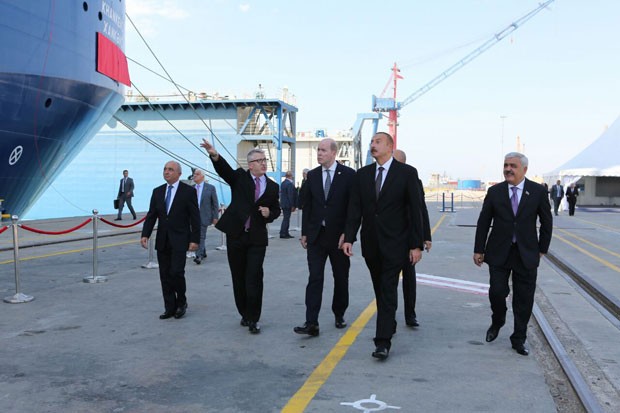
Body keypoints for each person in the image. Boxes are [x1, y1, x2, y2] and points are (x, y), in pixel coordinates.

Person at [342, 132, 425, 360]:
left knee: (388, 287)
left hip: (396, 243)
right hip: (371, 244)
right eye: (372, 142)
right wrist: (349, 237)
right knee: (380, 289)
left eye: (378, 141)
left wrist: (416, 245)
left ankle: (382, 341)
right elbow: (355, 209)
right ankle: (389, 323)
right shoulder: (363, 175)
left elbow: (415, 211)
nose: (373, 145)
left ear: (390, 146)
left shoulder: (406, 173)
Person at [473, 152, 552, 356]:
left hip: (526, 253)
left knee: (524, 299)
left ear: (524, 169)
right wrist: (479, 249)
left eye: (513, 166)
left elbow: (546, 222)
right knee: (497, 292)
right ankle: (498, 320)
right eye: (506, 165)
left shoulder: (537, 192)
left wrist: (542, 248)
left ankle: (518, 338)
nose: (508, 169)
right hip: (499, 252)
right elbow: (484, 221)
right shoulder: (495, 191)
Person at [200, 139, 281, 334]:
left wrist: (269, 213)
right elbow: (224, 170)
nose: (264, 163)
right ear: (251, 165)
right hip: (236, 236)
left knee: (254, 276)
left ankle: (254, 318)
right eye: (259, 161)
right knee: (238, 277)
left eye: (265, 160)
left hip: (257, 239)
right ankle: (244, 312)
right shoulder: (239, 178)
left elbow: (276, 209)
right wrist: (214, 154)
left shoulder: (272, 187)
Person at [294, 138, 356, 337]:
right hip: (316, 237)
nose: (319, 153)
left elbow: (353, 209)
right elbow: (308, 206)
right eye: (318, 150)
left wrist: (348, 235)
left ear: (333, 153)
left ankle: (339, 313)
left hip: (339, 239)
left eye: (323, 150)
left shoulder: (349, 175)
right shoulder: (312, 176)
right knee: (315, 278)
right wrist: (305, 232)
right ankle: (311, 322)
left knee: (341, 278)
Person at [141, 161, 200, 320]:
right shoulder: (158, 192)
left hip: (180, 239)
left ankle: (181, 302)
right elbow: (152, 215)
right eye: (165, 169)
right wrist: (145, 234)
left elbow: (195, 217)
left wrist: (195, 240)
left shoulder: (188, 192)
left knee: (177, 272)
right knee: (165, 275)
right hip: (163, 240)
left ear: (179, 174)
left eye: (170, 170)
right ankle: (169, 307)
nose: (166, 172)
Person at [392, 149, 432, 328]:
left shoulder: (413, 180)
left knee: (409, 278)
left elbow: (421, 209)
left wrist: (426, 236)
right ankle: (389, 317)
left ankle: (410, 314)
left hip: (408, 238)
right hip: (390, 238)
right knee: (389, 281)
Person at [192, 169, 219, 264]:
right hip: (193, 217)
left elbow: (215, 203)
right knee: (195, 235)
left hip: (204, 216)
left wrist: (215, 217)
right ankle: (203, 252)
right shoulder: (191, 188)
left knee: (201, 236)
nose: (194, 176)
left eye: (197, 174)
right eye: (194, 174)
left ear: (202, 176)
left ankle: (198, 256)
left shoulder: (210, 188)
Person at [279, 171, 297, 239]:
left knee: (286, 218)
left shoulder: (283, 183)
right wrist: (293, 205)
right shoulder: (289, 184)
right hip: (288, 204)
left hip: (284, 203)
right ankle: (283, 233)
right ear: (290, 176)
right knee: (286, 219)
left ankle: (285, 232)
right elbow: (290, 195)